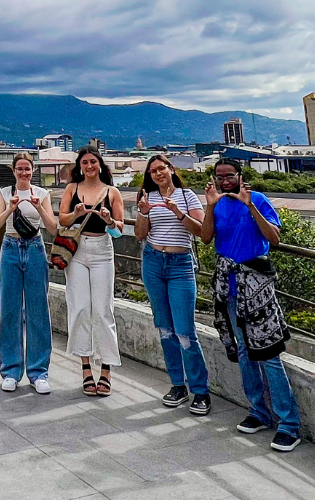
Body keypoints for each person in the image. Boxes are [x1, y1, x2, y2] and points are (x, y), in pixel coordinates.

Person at [200, 158, 301, 452]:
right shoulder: (216, 204)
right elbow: (206, 238)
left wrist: (250, 206)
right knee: (244, 351)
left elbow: (274, 238)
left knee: (269, 353)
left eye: (229, 175)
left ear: (240, 176)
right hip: (229, 288)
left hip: (257, 287)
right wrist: (208, 206)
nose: (225, 180)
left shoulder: (256, 199)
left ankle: (288, 423)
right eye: (220, 176)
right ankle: (258, 410)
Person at [134, 155, 211, 415]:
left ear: (171, 169)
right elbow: (140, 234)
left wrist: (178, 213)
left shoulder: (187, 195)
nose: (157, 174)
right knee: (165, 328)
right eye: (153, 170)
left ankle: (200, 390)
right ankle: (178, 385)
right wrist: (144, 212)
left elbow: (202, 231)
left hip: (180, 264)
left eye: (161, 168)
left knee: (185, 331)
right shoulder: (147, 196)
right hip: (153, 262)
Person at [0, 153, 58, 394]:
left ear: (33, 170)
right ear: (13, 170)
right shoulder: (4, 193)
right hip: (10, 248)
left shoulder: (43, 194)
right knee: (10, 310)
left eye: (27, 169)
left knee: (38, 310)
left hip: (35, 248)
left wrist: (40, 208)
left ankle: (39, 372)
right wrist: (10, 209)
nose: (24, 173)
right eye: (19, 169)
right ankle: (10, 370)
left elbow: (53, 228)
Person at [59, 147, 126, 397]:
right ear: (79, 166)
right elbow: (61, 221)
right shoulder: (71, 189)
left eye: (93, 162)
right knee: (79, 308)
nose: (89, 166)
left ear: (100, 165)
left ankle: (106, 369)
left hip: (102, 250)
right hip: (76, 249)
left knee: (103, 310)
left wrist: (109, 221)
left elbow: (119, 230)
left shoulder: (112, 192)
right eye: (85, 162)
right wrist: (75, 214)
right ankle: (86, 368)